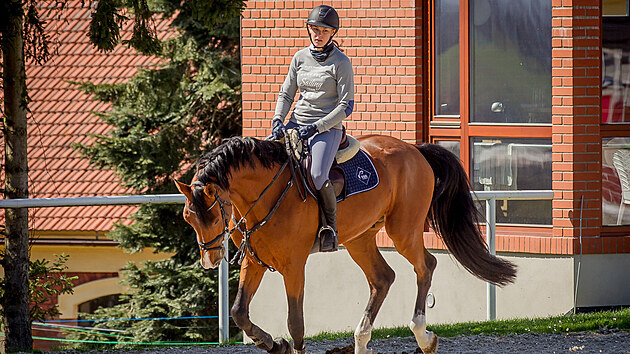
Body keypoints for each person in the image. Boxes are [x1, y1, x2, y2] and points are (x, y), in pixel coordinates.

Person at [271, 5, 354, 252]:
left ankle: (330, 229)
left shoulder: (341, 62)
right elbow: (287, 93)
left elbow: (346, 106)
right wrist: (278, 119)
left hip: (327, 128)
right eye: (314, 29)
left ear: (333, 33)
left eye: (324, 30)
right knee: (264, 158)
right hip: (297, 122)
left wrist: (318, 126)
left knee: (317, 174)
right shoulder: (299, 58)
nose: (318, 34)